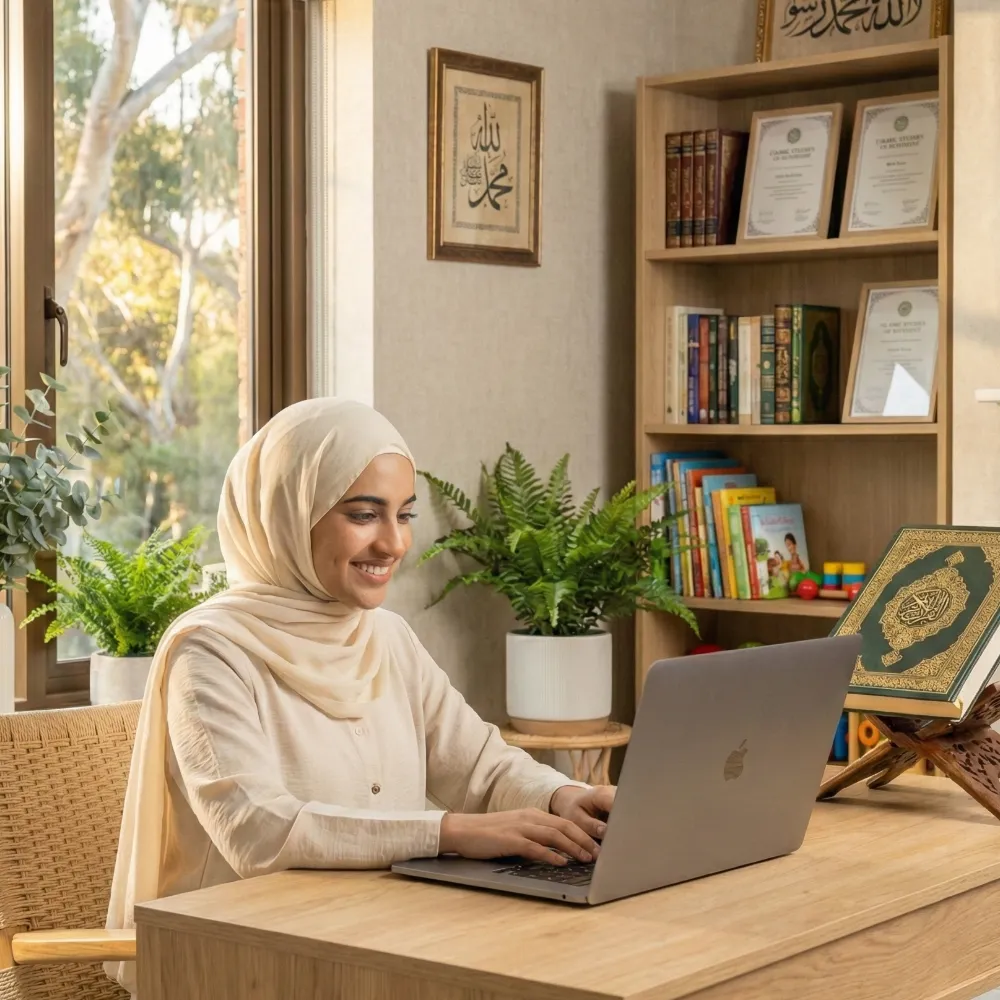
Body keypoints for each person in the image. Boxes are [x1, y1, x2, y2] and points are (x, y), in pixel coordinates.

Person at [105, 398, 615, 995]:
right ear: (289, 513)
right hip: (241, 963)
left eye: (405, 515)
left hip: (375, 938)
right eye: (365, 515)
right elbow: (258, 831)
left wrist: (564, 798)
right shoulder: (210, 650)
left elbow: (480, 766)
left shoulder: (386, 637)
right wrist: (448, 832)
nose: (394, 543)